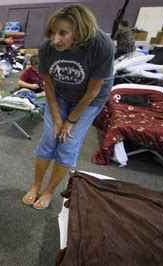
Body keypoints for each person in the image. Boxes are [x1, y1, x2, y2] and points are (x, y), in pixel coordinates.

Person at [21, 4, 114, 210]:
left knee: (68, 144)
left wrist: (70, 121)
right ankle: (36, 186)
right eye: (53, 33)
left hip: (90, 100)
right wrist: (56, 119)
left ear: (79, 31)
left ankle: (49, 191)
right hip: (60, 95)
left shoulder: (102, 45)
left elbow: (92, 92)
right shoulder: (47, 48)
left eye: (63, 33)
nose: (55, 40)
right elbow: (49, 85)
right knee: (49, 138)